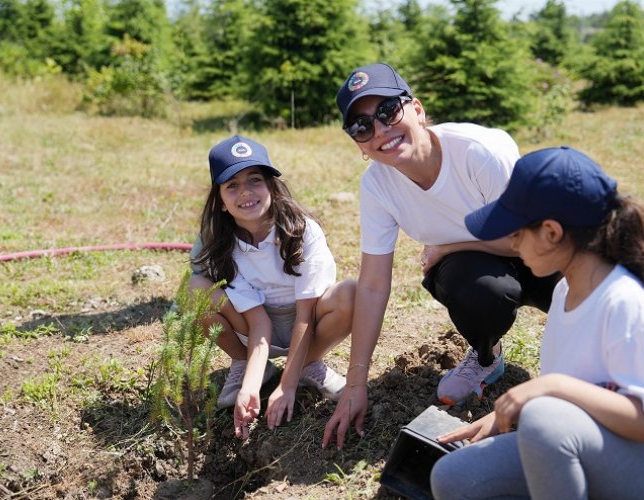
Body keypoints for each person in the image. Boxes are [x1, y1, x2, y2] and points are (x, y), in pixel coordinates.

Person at [430, 146, 644, 499]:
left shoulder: (623, 302)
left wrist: (551, 389)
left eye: (516, 233)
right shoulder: (567, 289)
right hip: (595, 441)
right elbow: (583, 388)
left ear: (551, 232)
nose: (512, 244)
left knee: (545, 421)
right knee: (454, 478)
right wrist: (502, 419)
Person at [322, 62, 559, 449]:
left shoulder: (477, 154)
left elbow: (533, 240)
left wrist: (451, 244)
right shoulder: (378, 187)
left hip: (542, 248)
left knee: (571, 289)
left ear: (416, 109)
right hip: (484, 264)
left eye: (387, 110)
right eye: (362, 126)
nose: (380, 129)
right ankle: (487, 358)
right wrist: (355, 383)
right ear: (358, 144)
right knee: (476, 290)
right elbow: (372, 285)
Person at [189, 134, 355, 440]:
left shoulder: (303, 231)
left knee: (350, 294)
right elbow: (258, 322)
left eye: (255, 180)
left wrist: (287, 385)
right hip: (253, 325)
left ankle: (306, 364)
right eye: (232, 186)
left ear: (271, 187)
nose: (246, 192)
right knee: (196, 290)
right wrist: (251, 388)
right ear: (221, 201)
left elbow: (306, 314)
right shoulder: (222, 244)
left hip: (306, 322)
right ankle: (248, 365)